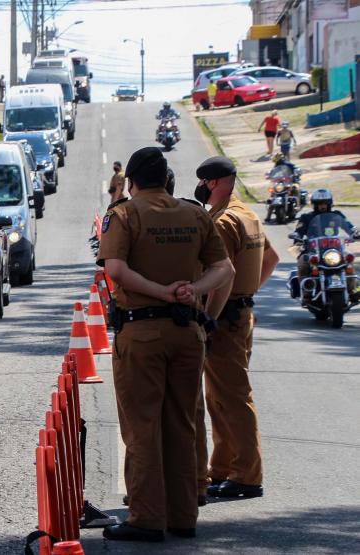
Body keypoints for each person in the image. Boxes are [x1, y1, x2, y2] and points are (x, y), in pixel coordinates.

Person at [98, 147, 234, 542]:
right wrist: (191, 291)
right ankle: (183, 515)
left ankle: (146, 517)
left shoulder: (123, 214)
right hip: (188, 332)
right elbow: (223, 269)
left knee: (143, 427)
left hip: (142, 334)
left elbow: (115, 270)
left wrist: (160, 291)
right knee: (182, 424)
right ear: (166, 178)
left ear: (133, 181)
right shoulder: (194, 213)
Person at [191, 156, 279, 502]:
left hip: (225, 317)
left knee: (233, 397)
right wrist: (248, 292)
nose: (200, 188)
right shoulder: (248, 214)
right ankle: (224, 468)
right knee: (221, 396)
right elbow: (272, 258)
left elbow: (221, 274)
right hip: (241, 313)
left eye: (203, 182)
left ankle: (247, 475)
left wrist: (210, 317)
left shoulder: (225, 221)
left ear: (212, 183)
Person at [291, 189, 358, 298]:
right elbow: (298, 230)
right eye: (319, 204)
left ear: (330, 204)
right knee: (302, 263)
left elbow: (347, 225)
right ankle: (307, 291)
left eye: (325, 203)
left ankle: (352, 289)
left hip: (335, 249)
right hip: (313, 250)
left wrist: (354, 232)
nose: (322, 206)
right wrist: (297, 235)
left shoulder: (337, 215)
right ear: (314, 205)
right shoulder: (306, 217)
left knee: (349, 259)